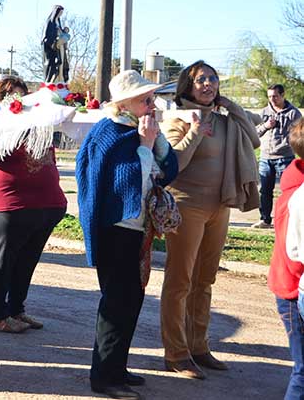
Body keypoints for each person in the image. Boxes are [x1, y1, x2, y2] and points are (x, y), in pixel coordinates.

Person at [77, 70, 178, 400]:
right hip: (114, 231)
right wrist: (146, 146)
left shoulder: (138, 130)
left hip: (136, 231)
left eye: (152, 99)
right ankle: (103, 377)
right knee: (115, 304)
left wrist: (155, 141)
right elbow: (126, 184)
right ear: (124, 103)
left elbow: (168, 172)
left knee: (131, 301)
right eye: (144, 100)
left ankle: (116, 367)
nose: (152, 105)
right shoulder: (108, 133)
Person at [160, 60, 260, 380]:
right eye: (201, 80)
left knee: (205, 280)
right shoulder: (176, 118)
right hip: (186, 206)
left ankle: (199, 347)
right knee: (180, 282)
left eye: (213, 79)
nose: (208, 84)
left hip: (220, 206)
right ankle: (176, 354)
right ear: (187, 87)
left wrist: (229, 104)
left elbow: (253, 138)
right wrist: (194, 131)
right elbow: (174, 163)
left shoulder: (223, 118)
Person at [0, 76, 66, 334]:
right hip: (6, 204)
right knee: (3, 260)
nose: (16, 100)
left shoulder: (37, 123)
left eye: (21, 95)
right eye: (10, 95)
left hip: (44, 204)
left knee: (27, 261)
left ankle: (16, 309)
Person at [269, 119, 304, 400]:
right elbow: (293, 254)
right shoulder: (297, 196)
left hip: (293, 287)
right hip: (293, 291)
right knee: (303, 370)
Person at [253, 84, 302, 229]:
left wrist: (287, 142)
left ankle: (288, 220)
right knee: (265, 191)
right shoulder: (263, 113)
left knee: (288, 191)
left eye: (275, 96)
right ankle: (265, 220)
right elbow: (254, 133)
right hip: (265, 158)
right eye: (269, 96)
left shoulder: (294, 114)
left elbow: (299, 135)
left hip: (285, 158)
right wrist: (266, 126)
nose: (272, 99)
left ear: (283, 95)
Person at [42, 4, 70, 83]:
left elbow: (61, 32)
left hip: (58, 46)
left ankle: (58, 80)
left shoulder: (58, 22)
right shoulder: (50, 22)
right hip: (51, 46)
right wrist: (53, 42)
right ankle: (49, 81)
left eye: (61, 13)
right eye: (60, 12)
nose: (61, 14)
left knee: (60, 63)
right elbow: (47, 36)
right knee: (52, 64)